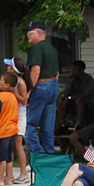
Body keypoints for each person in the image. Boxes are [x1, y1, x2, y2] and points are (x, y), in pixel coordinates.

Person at [24, 20, 60, 153]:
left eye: (30, 32)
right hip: (53, 86)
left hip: (41, 86)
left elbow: (36, 71)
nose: (28, 35)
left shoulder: (37, 48)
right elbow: (57, 73)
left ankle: (39, 155)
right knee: (48, 127)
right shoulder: (52, 49)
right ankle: (50, 156)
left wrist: (28, 90)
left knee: (30, 126)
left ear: (39, 33)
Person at [5, 57, 30, 182]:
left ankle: (24, 173)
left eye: (9, 66)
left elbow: (25, 100)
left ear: (13, 69)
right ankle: (9, 174)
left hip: (19, 116)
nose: (7, 67)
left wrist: (13, 92)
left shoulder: (20, 82)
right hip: (11, 115)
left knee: (17, 144)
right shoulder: (12, 81)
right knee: (10, 144)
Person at [56, 60, 94, 132]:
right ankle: (63, 126)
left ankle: (79, 125)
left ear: (81, 70)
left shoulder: (88, 79)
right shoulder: (71, 78)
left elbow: (85, 94)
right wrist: (70, 84)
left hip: (87, 102)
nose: (72, 71)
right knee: (60, 101)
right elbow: (65, 94)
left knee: (79, 101)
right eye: (72, 68)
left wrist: (69, 98)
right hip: (73, 102)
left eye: (75, 69)